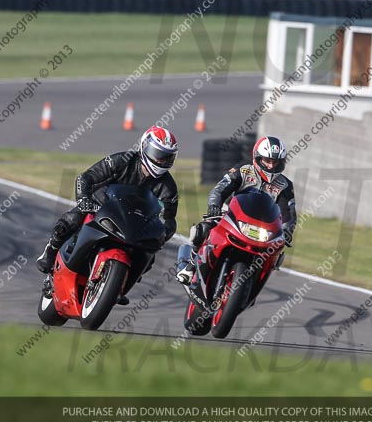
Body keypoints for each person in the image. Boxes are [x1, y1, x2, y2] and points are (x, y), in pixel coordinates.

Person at [36, 126, 179, 301]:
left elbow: (169, 219)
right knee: (73, 219)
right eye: (158, 154)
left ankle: (119, 285)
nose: (161, 161)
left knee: (149, 254)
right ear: (144, 147)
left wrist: (162, 235)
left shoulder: (168, 187)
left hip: (135, 224)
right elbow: (86, 177)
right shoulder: (122, 160)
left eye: (167, 157)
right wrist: (83, 199)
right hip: (101, 205)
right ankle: (50, 252)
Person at [175, 136, 296, 285]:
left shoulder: (285, 185)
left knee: (276, 253)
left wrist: (287, 230)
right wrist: (215, 206)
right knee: (204, 228)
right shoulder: (243, 170)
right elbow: (219, 189)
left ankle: (254, 284)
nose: (271, 166)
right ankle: (190, 266)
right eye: (267, 160)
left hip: (263, 227)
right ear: (257, 158)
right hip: (231, 214)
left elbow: (289, 213)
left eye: (275, 161)